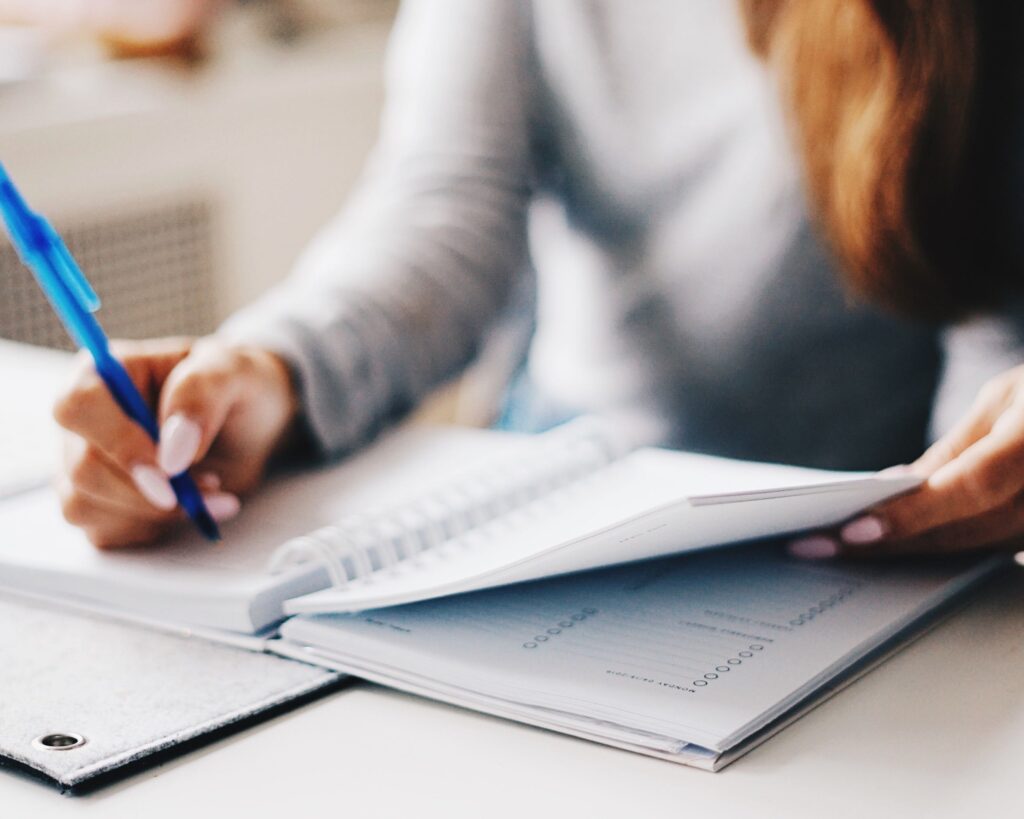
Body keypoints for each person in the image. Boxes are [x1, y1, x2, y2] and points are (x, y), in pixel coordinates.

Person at [52, 0, 1024, 561]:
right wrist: (268, 371)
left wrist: (973, 492)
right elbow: (442, 211)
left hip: (875, 548)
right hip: (559, 524)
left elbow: (995, 308)